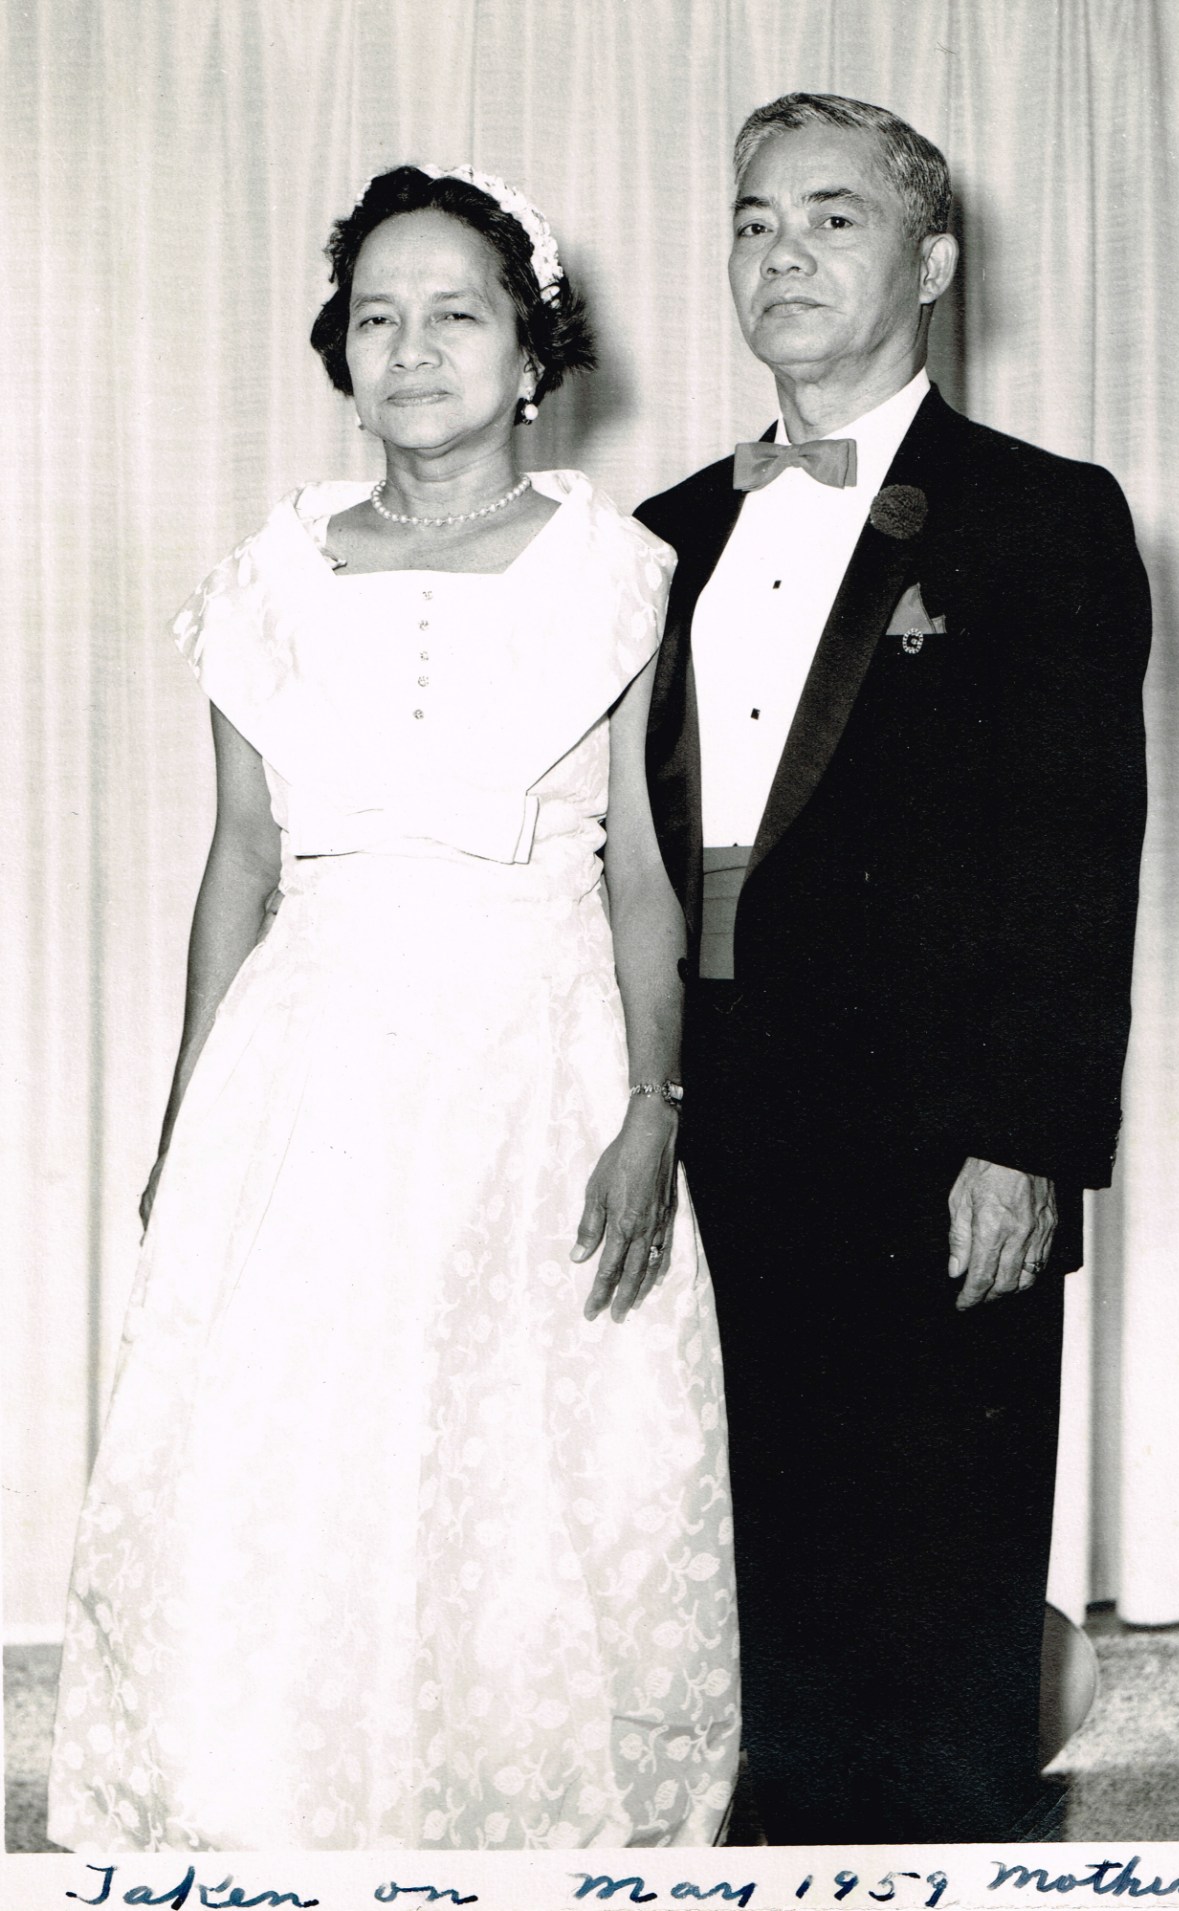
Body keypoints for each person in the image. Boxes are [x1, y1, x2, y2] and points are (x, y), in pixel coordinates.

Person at [47, 163, 738, 1852]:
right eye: (377, 317)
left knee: (524, 1474)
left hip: (539, 1060)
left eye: (456, 313)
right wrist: (188, 1120)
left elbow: (648, 877)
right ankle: (276, 1830)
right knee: (283, 1463)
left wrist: (651, 1109)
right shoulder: (267, 578)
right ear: (340, 354)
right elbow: (238, 871)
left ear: (530, 351)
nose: (412, 350)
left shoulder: (622, 574)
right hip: (311, 1071)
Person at [636, 92, 1150, 1844]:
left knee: (936, 1591)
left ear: (932, 264)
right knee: (731, 1563)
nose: (781, 253)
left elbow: (1082, 855)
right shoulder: (654, 535)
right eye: (755, 221)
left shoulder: (1048, 517)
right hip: (703, 1120)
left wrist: (1029, 1137)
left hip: (940, 1142)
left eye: (833, 219)